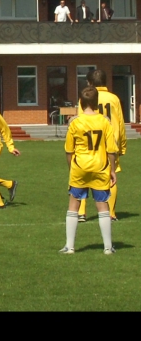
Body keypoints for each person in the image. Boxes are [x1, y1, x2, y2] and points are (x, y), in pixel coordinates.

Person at [59, 86, 117, 255]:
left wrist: (72, 169)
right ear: (96, 102)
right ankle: (107, 247)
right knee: (102, 206)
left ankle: (70, 246)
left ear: (81, 102)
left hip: (80, 168)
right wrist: (112, 170)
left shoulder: (75, 122)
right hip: (100, 167)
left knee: (73, 205)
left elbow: (69, 151)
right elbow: (111, 150)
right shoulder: (105, 121)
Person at [76, 69, 126, 222]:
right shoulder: (114, 98)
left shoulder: (85, 97)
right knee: (111, 175)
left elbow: (80, 120)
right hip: (110, 142)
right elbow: (121, 124)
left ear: (89, 83)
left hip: (89, 142)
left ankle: (81, 212)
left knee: (83, 176)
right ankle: (110, 213)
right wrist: (122, 145)